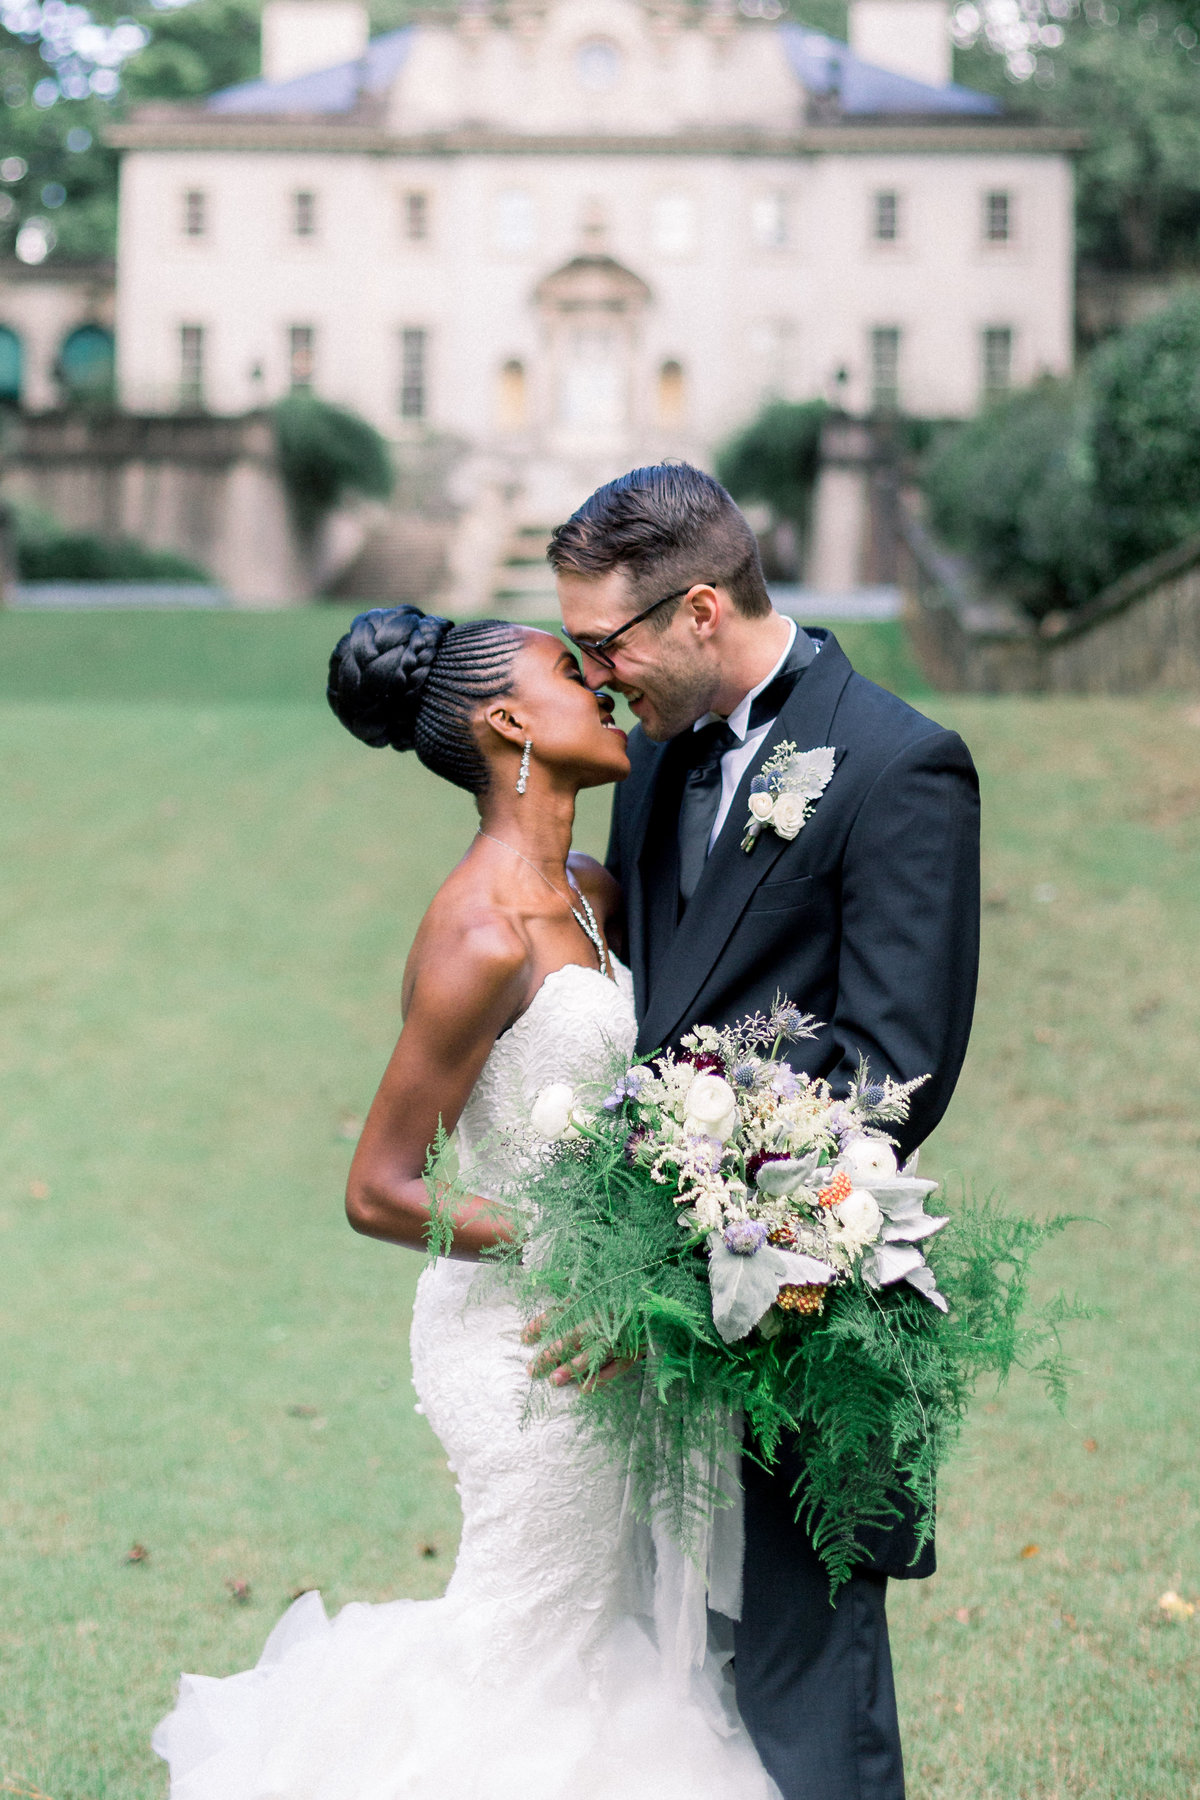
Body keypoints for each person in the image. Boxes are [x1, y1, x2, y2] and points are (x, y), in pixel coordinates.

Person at [152, 606, 780, 1799]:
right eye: (565, 668)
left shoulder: (590, 888)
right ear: (507, 723)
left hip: (611, 1333)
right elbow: (381, 1189)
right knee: (525, 1649)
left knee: (587, 1642)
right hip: (528, 1344)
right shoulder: (479, 932)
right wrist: (581, 1257)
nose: (598, 680)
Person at [549, 462, 982, 1800]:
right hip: (655, 1326)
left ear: (696, 612)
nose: (595, 677)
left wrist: (711, 1242)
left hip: (800, 1307)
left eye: (602, 644)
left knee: (806, 1696)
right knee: (668, 1681)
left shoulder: (902, 766)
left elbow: (890, 1076)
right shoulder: (658, 755)